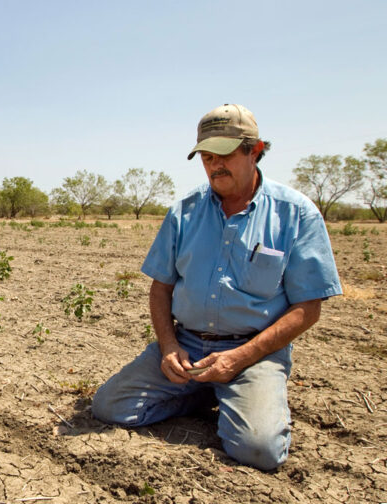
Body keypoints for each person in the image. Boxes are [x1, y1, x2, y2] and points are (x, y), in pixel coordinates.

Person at [92, 104, 342, 471]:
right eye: (207, 157)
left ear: (255, 151)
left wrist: (238, 359)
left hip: (253, 353)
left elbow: (308, 308)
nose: (215, 166)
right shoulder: (184, 212)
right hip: (187, 347)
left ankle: (235, 395)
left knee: (259, 450)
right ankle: (202, 393)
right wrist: (169, 346)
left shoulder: (296, 213)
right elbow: (161, 288)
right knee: (109, 407)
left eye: (225, 155)